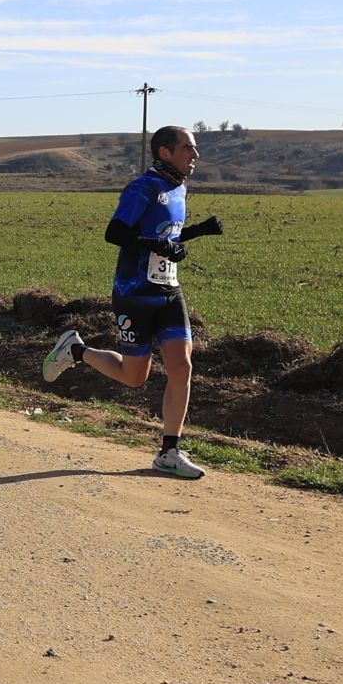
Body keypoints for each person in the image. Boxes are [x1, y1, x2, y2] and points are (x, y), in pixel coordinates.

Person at [41, 125, 225, 479]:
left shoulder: (178, 187)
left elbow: (163, 236)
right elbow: (117, 233)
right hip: (134, 293)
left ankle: (169, 451)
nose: (195, 154)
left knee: (182, 366)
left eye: (195, 148)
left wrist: (196, 231)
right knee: (134, 377)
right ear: (164, 152)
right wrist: (159, 246)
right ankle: (76, 351)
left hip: (169, 289)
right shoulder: (143, 187)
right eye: (188, 147)